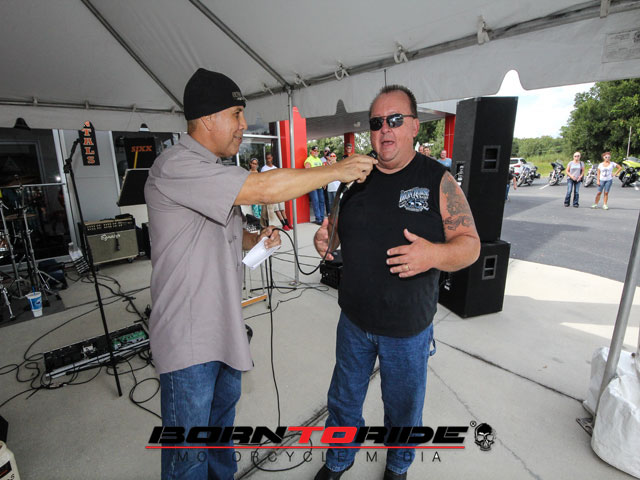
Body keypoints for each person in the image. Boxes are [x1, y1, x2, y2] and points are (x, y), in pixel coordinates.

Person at [144, 68, 375, 480]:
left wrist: (254, 240)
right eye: (236, 114)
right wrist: (335, 170)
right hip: (189, 339)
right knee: (189, 457)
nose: (243, 124)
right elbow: (264, 189)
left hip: (223, 328)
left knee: (220, 437)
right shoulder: (177, 165)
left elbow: (215, 233)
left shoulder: (210, 168)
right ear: (208, 118)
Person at [313, 85, 480, 480]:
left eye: (395, 120)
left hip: (407, 329)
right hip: (354, 321)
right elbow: (334, 234)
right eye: (376, 123)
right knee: (343, 401)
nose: (385, 129)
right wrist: (326, 239)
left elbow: (471, 246)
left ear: (414, 126)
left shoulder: (438, 180)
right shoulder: (355, 179)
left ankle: (398, 466)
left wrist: (432, 255)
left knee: (403, 410)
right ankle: (338, 460)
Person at [260, 153, 292, 231]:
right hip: (271, 191)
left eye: (269, 158)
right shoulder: (264, 169)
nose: (268, 160)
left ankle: (287, 223)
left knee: (282, 208)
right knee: (276, 209)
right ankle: (283, 224)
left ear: (272, 158)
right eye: (267, 158)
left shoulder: (275, 168)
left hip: (278, 190)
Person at [305, 145, 326, 224]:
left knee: (321, 201)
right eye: (314, 151)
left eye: (317, 151)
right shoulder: (308, 160)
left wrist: (324, 182)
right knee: (315, 201)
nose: (316, 152)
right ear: (311, 151)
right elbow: (307, 173)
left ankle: (322, 218)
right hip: (313, 184)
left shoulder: (319, 160)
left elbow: (322, 172)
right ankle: (318, 219)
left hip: (320, 184)